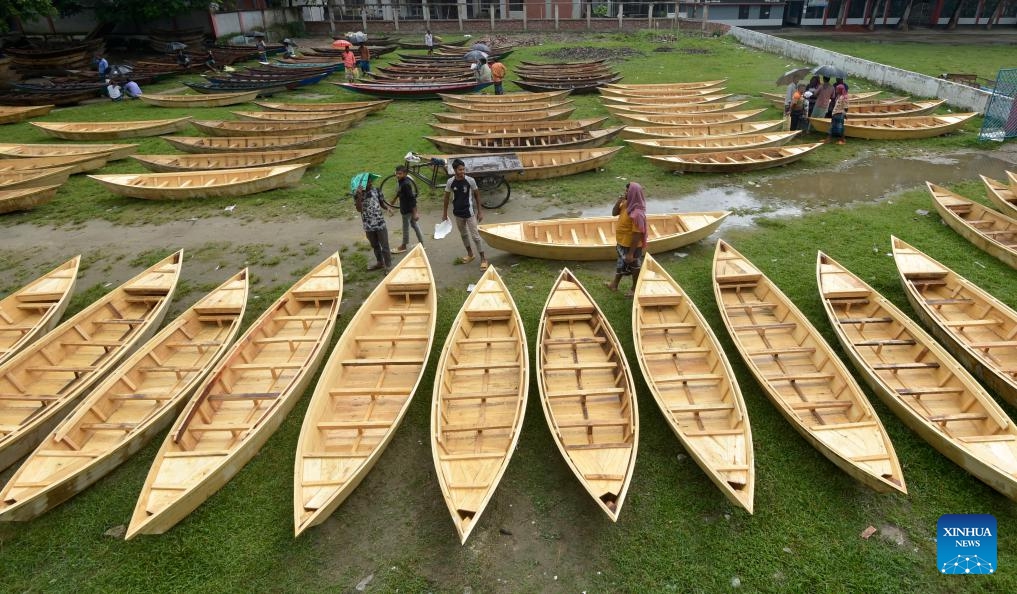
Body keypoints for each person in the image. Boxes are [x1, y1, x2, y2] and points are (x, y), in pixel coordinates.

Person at [442, 158, 488, 270]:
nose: (462, 172)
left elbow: (477, 195)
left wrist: (480, 211)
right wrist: (444, 213)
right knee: (464, 235)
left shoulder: (470, 180)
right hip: (457, 213)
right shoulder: (450, 182)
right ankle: (470, 254)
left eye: (463, 169)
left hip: (470, 213)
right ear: (454, 170)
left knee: (475, 237)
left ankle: (483, 259)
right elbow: (446, 198)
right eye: (460, 170)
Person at [605, 182, 647, 297]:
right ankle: (614, 284)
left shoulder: (637, 213)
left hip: (631, 246)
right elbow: (614, 213)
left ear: (633, 193)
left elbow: (637, 234)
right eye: (625, 190)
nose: (625, 192)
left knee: (635, 267)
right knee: (620, 263)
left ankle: (634, 289)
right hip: (622, 242)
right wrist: (619, 201)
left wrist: (631, 253)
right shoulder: (626, 204)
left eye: (627, 191)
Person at [355, 174, 393, 272]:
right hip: (368, 226)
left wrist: (387, 208)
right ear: (362, 184)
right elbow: (359, 209)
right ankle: (380, 262)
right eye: (368, 182)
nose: (370, 183)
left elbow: (381, 203)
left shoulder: (376, 190)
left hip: (380, 223)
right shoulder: (358, 194)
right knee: (375, 245)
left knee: (385, 246)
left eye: (371, 181)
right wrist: (359, 196)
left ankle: (388, 266)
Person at [393, 165, 423, 253]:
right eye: (397, 173)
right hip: (405, 208)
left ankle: (403, 246)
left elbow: (412, 198)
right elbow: (399, 192)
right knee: (414, 225)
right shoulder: (401, 181)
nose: (398, 175)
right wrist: (394, 200)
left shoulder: (406, 184)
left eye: (400, 174)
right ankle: (421, 243)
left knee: (405, 227)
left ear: (405, 174)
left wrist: (415, 213)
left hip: (407, 210)